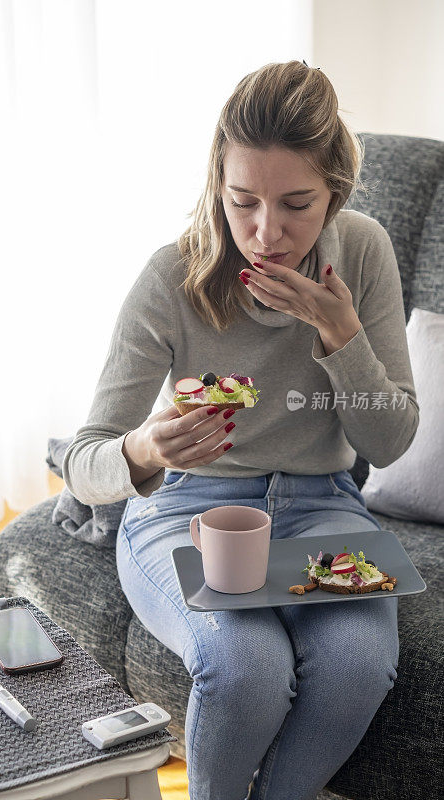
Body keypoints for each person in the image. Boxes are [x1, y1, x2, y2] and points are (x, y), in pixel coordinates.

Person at [63, 60, 419, 800]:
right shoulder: (172, 277)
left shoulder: (361, 253)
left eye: (296, 203)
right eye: (241, 201)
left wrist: (340, 336)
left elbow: (387, 446)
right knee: (244, 668)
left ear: (336, 193)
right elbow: (85, 455)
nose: (265, 233)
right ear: (215, 189)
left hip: (322, 505)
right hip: (188, 510)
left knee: (357, 665)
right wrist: (144, 448)